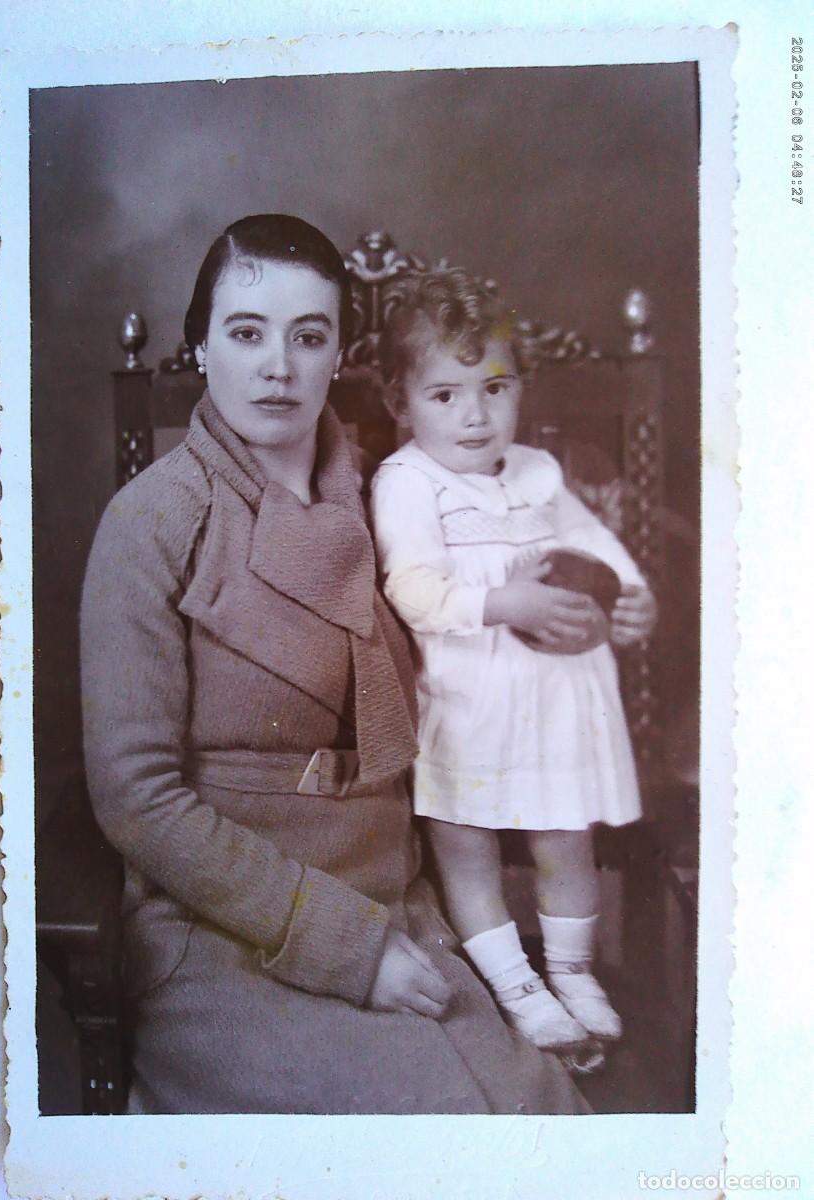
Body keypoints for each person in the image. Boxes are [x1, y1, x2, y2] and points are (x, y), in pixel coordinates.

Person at [80, 214, 587, 1114]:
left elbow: (486, 635)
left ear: (338, 355)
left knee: (539, 1128)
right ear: (201, 346)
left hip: (402, 900)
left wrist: (590, 608)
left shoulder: (393, 499)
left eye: (308, 337)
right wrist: (343, 947)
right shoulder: (152, 521)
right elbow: (137, 798)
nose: (278, 366)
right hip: (233, 933)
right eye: (246, 333)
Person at [370, 268, 657, 1071]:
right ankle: (515, 982)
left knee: (566, 838)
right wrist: (506, 603)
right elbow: (414, 589)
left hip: (558, 697)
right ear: (401, 402)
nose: (475, 415)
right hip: (468, 698)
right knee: (468, 846)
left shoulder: (538, 474)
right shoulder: (407, 483)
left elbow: (601, 551)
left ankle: (572, 971)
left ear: (520, 389)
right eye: (445, 395)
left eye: (495, 388)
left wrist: (631, 599)